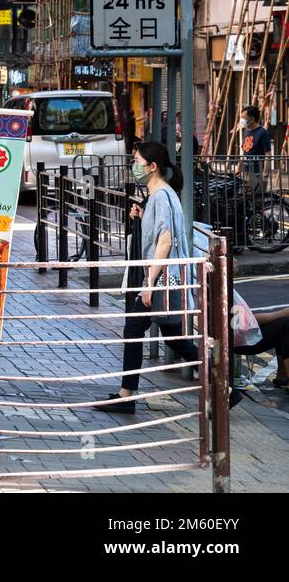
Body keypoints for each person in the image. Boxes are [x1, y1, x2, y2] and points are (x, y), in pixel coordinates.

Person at [100, 142, 201, 414]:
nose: (134, 166)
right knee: (173, 338)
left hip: (161, 280)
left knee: (134, 331)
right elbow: (161, 232)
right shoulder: (160, 197)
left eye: (137, 161)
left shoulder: (161, 196)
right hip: (166, 279)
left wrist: (149, 283)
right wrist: (143, 215)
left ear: (152, 166)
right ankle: (223, 386)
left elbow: (165, 241)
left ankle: (126, 396)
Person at [241, 105, 272, 194]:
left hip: (257, 172)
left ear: (252, 118)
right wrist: (240, 166)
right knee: (244, 199)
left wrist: (265, 175)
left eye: (244, 117)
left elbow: (268, 154)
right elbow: (245, 151)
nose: (242, 120)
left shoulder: (262, 133)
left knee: (256, 200)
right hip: (246, 171)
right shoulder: (246, 131)